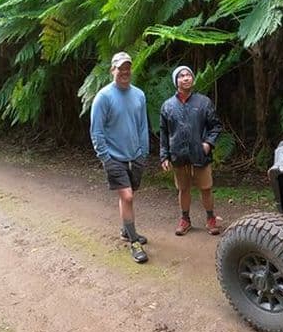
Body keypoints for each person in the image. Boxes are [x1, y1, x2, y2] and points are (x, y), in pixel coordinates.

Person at [90, 51, 150, 263]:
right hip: (113, 156)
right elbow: (96, 131)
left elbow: (143, 125)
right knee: (127, 196)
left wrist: (144, 151)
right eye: (120, 68)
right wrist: (105, 157)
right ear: (112, 70)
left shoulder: (139, 95)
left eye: (127, 67)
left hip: (135, 155)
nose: (124, 71)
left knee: (128, 195)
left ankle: (126, 230)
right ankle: (134, 241)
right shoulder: (103, 97)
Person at [160, 65, 223, 236]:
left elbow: (216, 126)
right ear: (176, 81)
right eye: (181, 76)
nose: (186, 78)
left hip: (200, 153)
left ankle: (210, 218)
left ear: (193, 79)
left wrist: (208, 143)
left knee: (206, 188)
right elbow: (164, 132)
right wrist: (164, 155)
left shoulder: (203, 102)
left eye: (189, 75)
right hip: (178, 154)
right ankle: (185, 219)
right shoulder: (167, 106)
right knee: (183, 188)